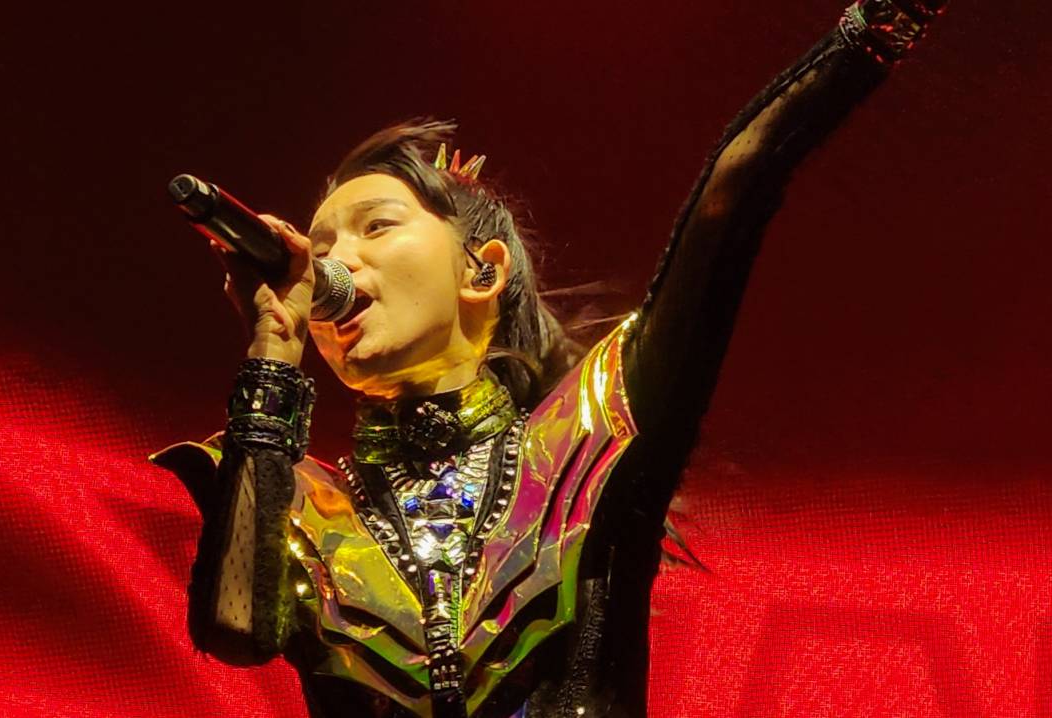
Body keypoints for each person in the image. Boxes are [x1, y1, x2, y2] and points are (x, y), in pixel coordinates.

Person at [149, 1, 947, 715]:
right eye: (320, 246)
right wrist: (273, 353)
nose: (333, 263)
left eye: (375, 226)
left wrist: (885, 19)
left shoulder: (591, 435)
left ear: (481, 270)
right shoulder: (295, 497)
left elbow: (731, 191)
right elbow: (236, 631)